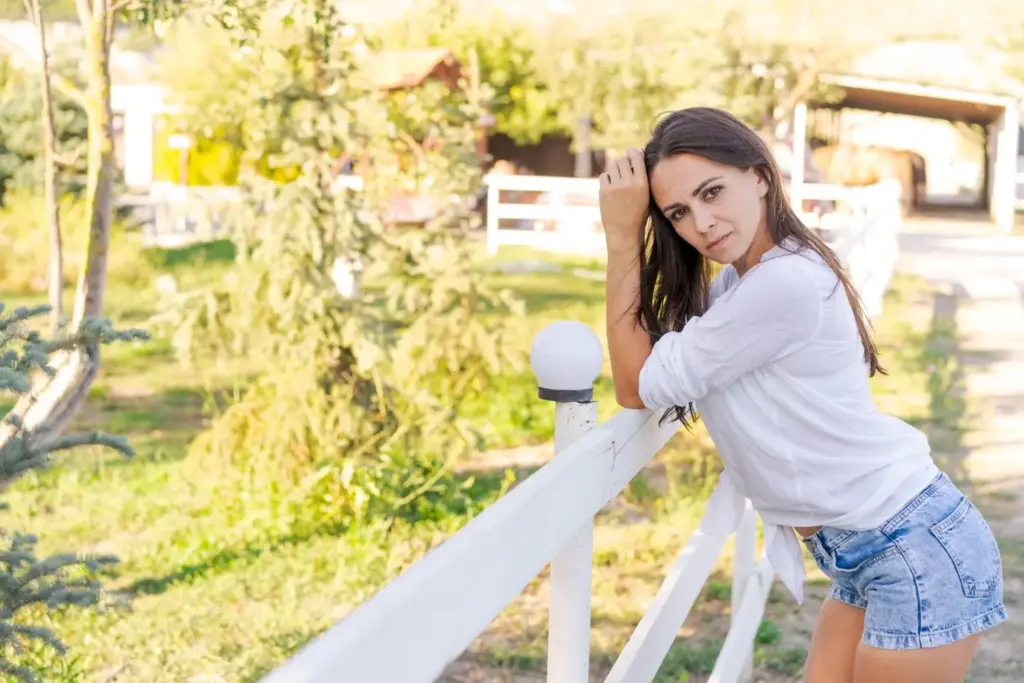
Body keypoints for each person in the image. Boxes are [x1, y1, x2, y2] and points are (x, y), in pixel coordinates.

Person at [599, 107, 1006, 683]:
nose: (703, 222)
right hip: (871, 547)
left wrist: (621, 239)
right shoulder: (740, 282)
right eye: (679, 213)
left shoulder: (782, 283)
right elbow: (648, 373)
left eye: (713, 191)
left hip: (911, 546)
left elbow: (634, 386)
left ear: (760, 175)